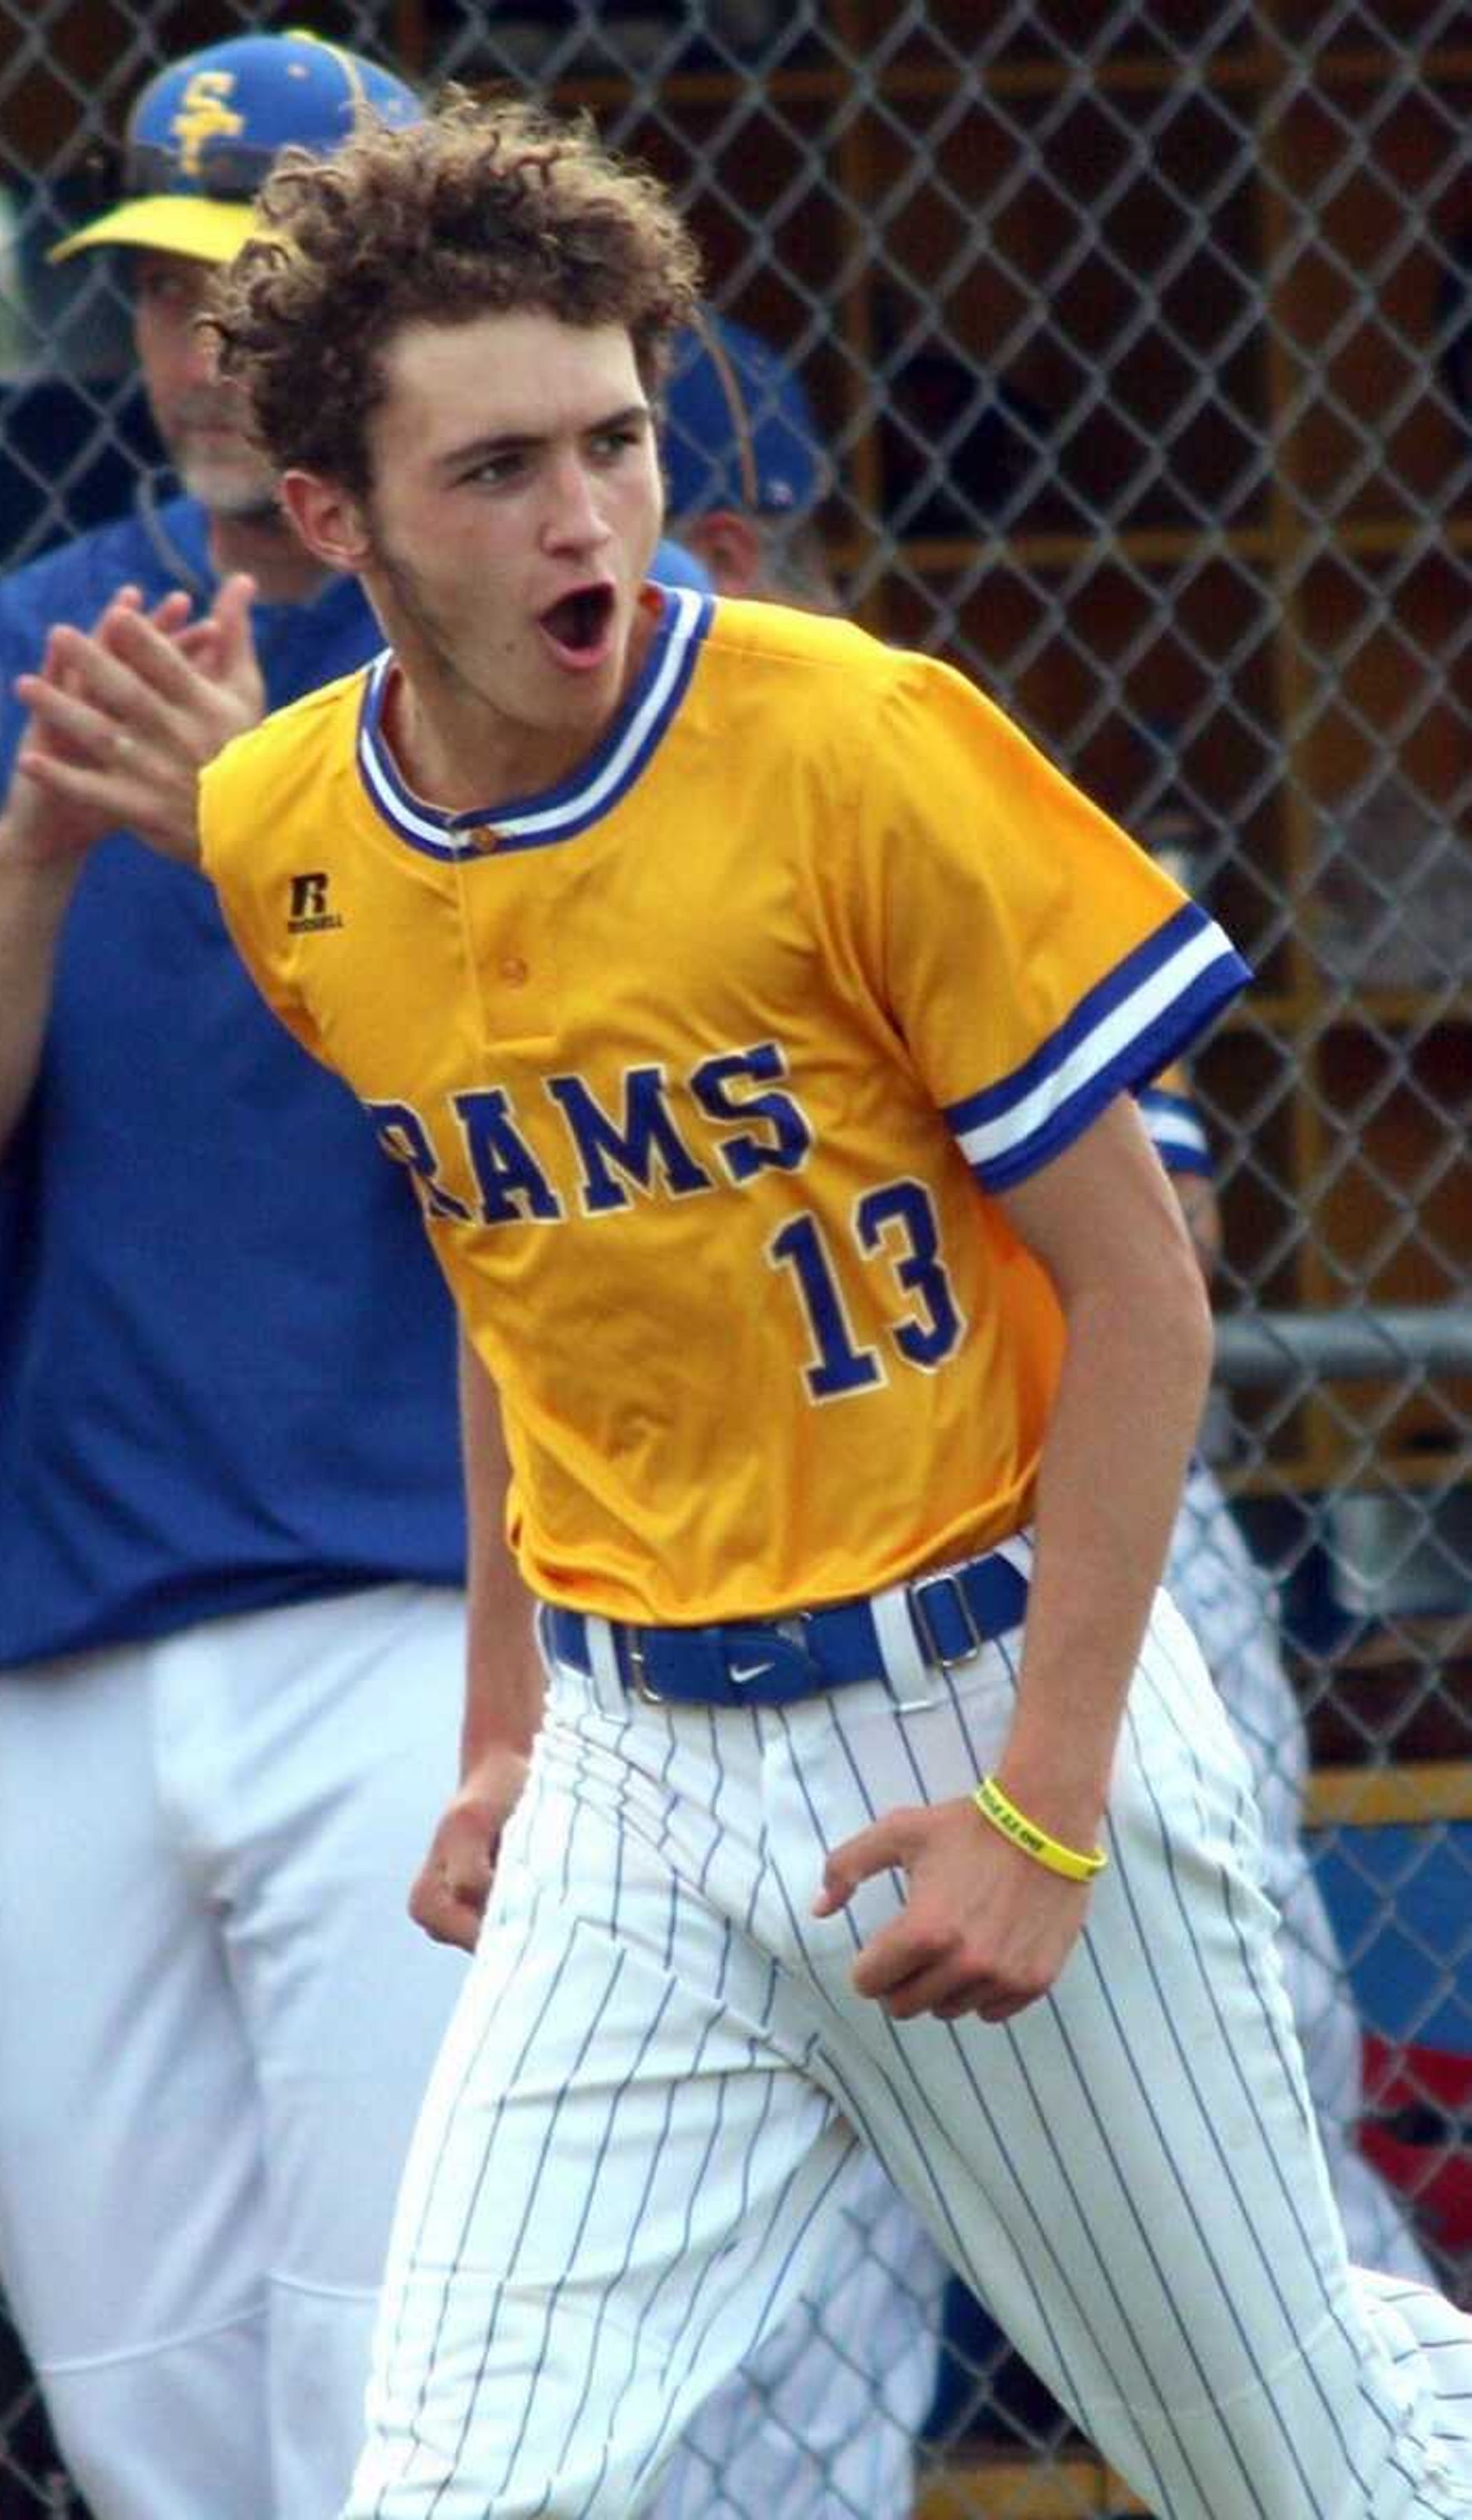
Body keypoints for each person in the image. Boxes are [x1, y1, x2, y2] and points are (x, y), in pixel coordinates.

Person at [183, 94, 1472, 2514]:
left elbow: (1141, 1298)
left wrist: (1042, 1805)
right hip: (630, 1769)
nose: (580, 516)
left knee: (1296, 2463)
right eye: (491, 472)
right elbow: (521, 1300)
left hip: (978, 1683)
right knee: (455, 2493)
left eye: (613, 440)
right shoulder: (279, 828)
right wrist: (491, 1742)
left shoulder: (854, 744)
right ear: (329, 517)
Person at [641, 318, 1446, 2520]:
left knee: (1245, 2166)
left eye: (597, 492)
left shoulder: (903, 774)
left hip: (1048, 1540)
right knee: (792, 2212)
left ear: (706, 540)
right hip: (743, 1594)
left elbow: (1129, 1279)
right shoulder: (552, 849)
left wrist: (1053, 1756)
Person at [0, 38, 479, 2516]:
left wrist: (232, 823)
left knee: (387, 2374)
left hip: (417, 1603)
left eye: (265, 293)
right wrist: (25, 849)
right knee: (131, 2384)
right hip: (81, 1626)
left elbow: (511, 1089)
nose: (203, 353)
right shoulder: (39, 635)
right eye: (163, 295)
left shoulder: (517, 634)